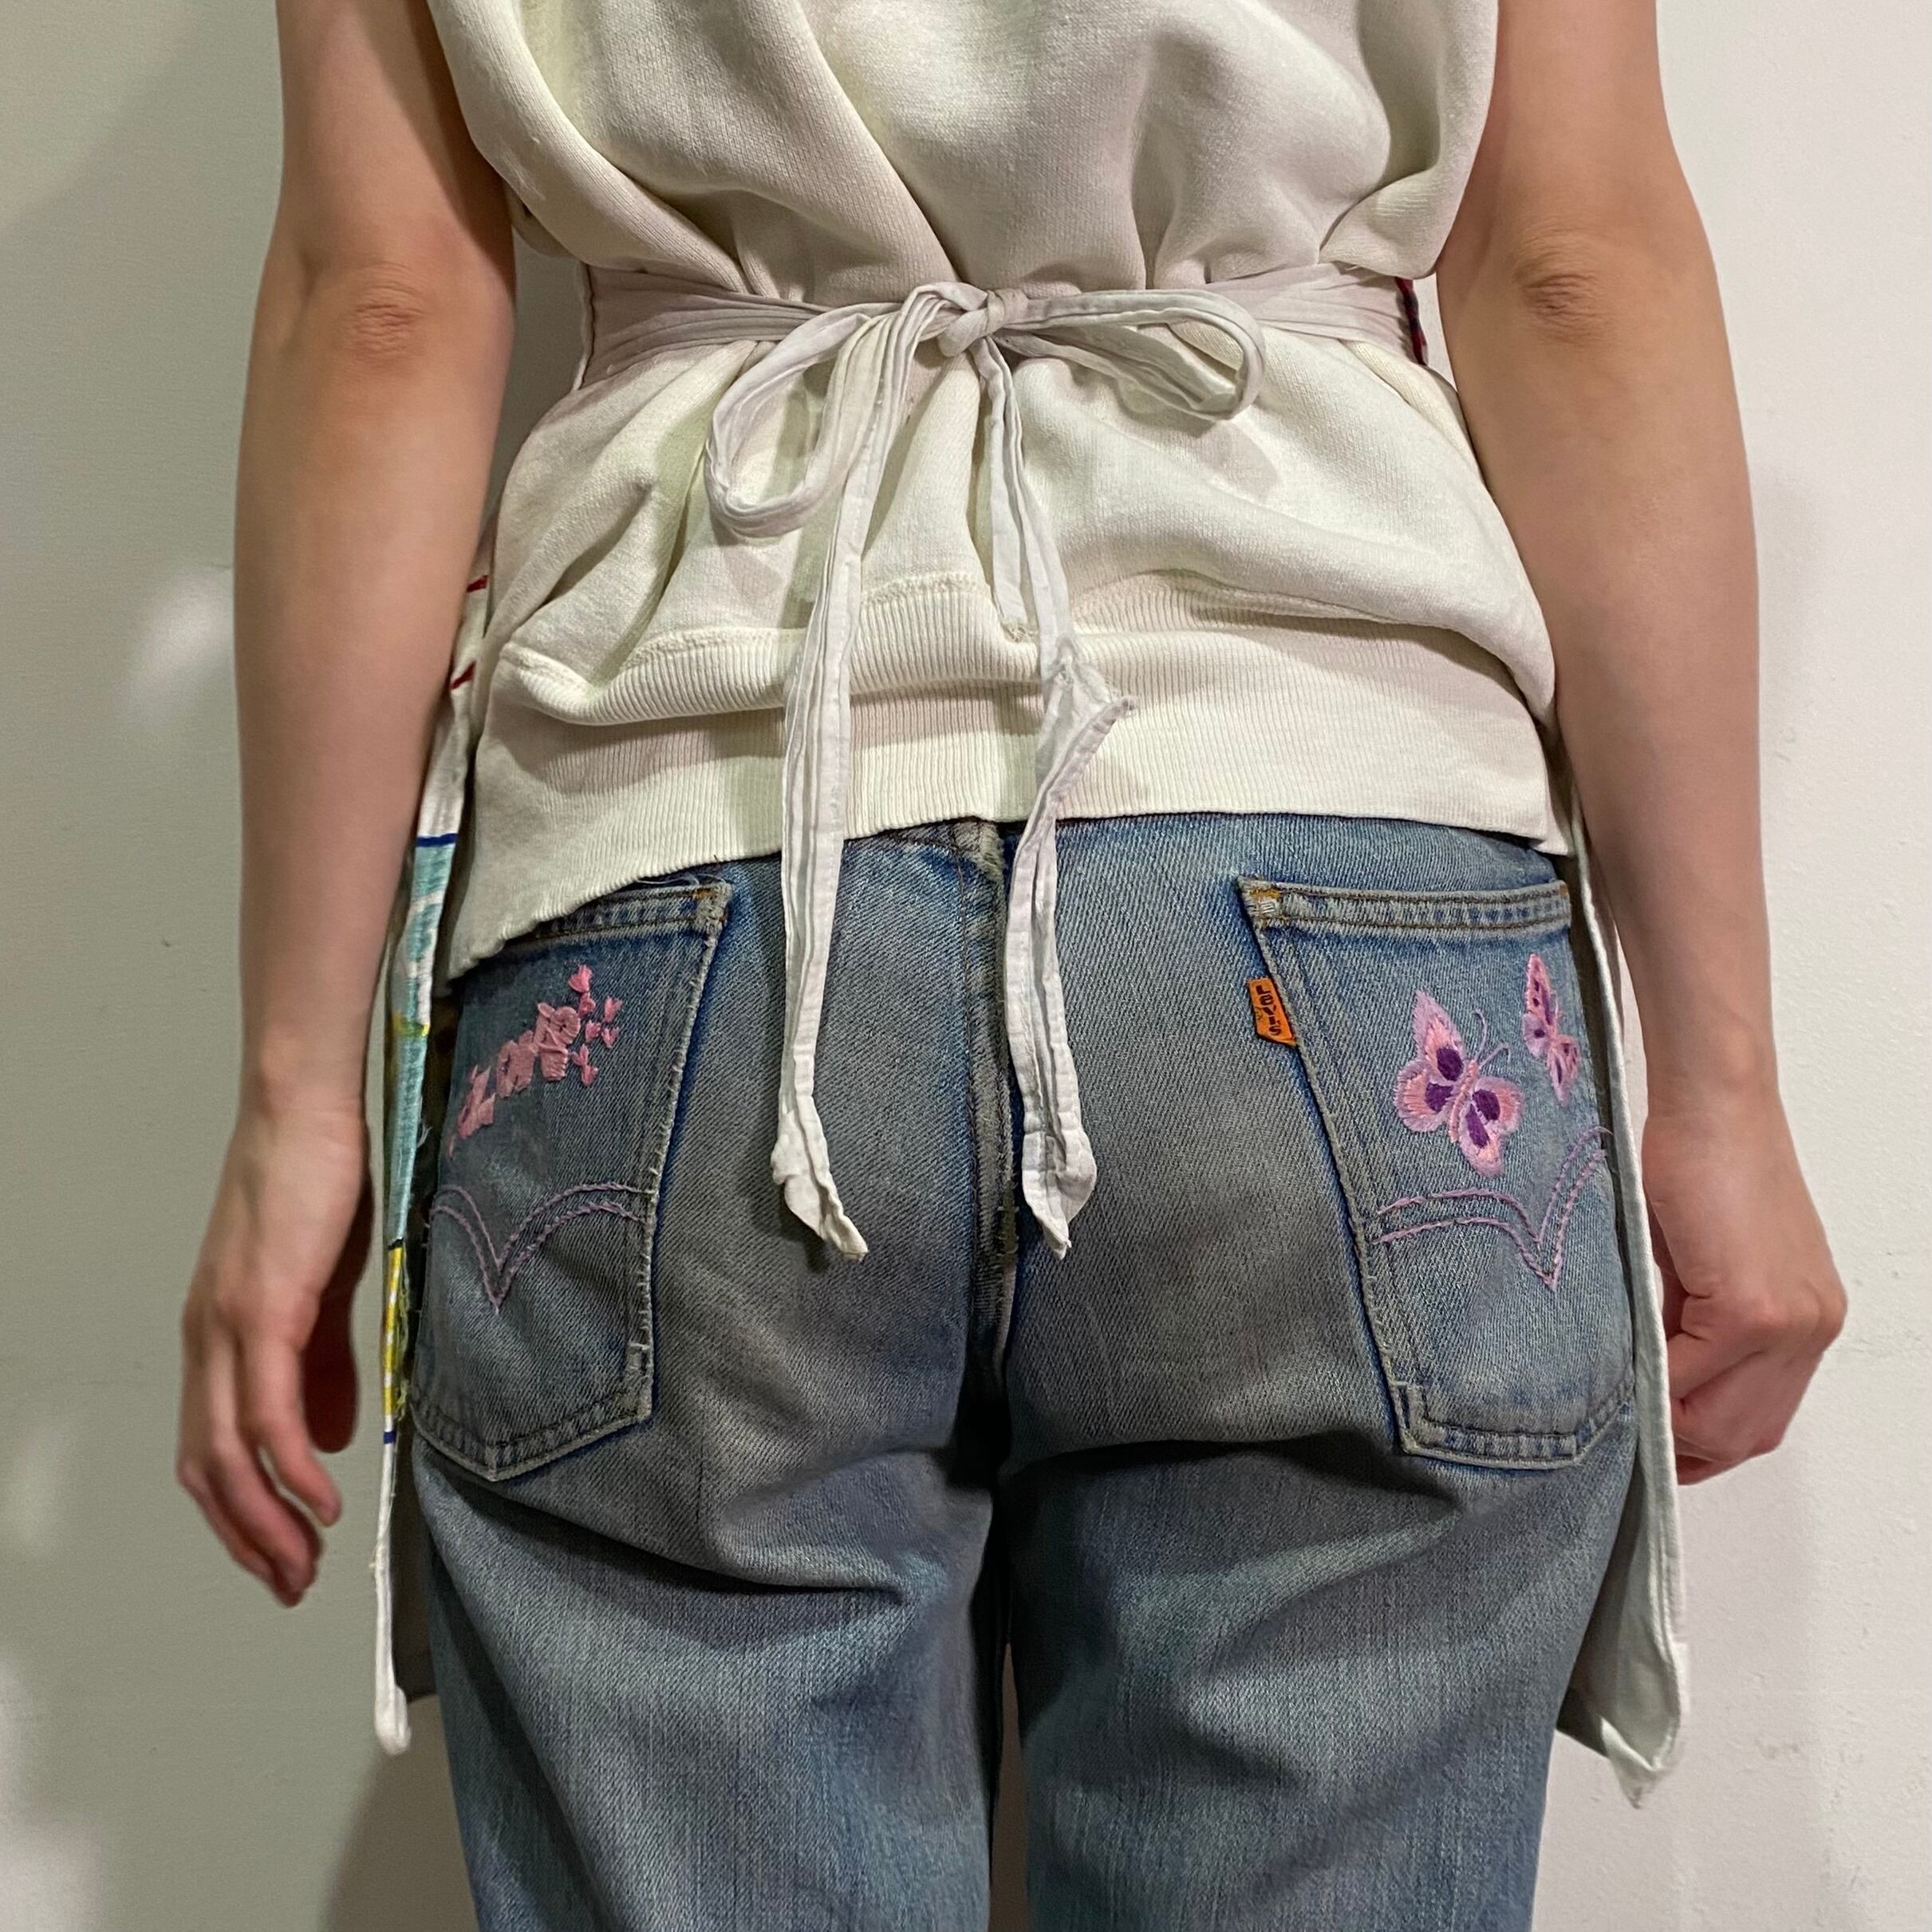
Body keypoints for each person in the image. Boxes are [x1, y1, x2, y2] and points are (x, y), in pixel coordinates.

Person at [175, 0, 1847, 1923]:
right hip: (1342, 913)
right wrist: (1717, 1089)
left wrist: (299, 1104)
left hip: (679, 911)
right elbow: (1568, 263)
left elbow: (378, 306)